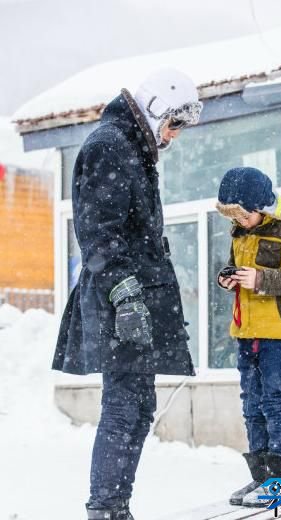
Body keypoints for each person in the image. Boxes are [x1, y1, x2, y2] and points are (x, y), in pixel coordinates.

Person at [52, 67, 203, 520]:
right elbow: (99, 232)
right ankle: (107, 508)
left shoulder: (131, 148)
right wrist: (126, 293)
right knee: (124, 405)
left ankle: (115, 506)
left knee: (137, 406)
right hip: (120, 300)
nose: (174, 136)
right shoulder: (110, 147)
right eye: (173, 124)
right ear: (155, 110)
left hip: (133, 296)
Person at [216, 167, 281, 507]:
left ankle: (280, 479)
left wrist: (261, 280)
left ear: (262, 206)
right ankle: (260, 476)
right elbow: (240, 267)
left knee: (274, 401)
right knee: (251, 403)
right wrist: (230, 277)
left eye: (244, 215)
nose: (240, 222)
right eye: (234, 216)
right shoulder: (241, 231)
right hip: (247, 328)